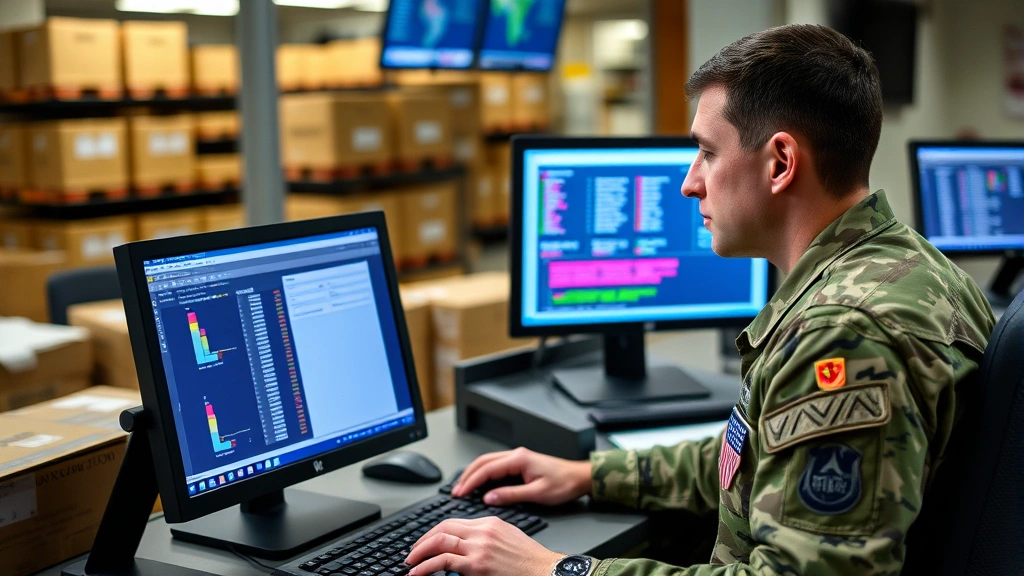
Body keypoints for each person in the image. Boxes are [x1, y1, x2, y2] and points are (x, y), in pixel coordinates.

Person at [404, 23, 996, 576]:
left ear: (781, 163)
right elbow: (764, 452)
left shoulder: (843, 335)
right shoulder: (904, 263)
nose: (690, 182)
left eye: (708, 153)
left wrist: (557, 568)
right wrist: (590, 474)